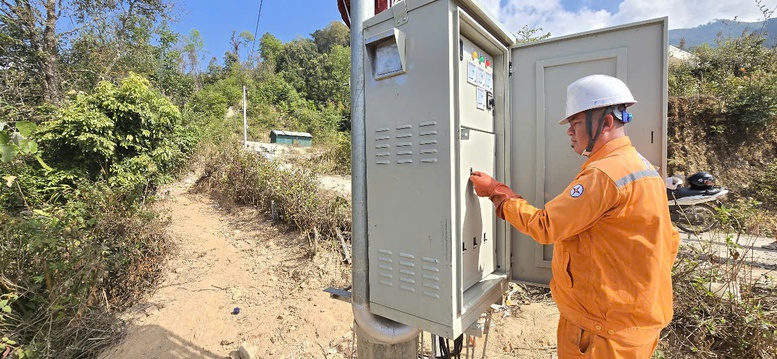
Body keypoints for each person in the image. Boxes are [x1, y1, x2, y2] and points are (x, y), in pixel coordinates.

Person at [470, 74, 680, 359]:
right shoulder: (641, 166)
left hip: (601, 331)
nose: (569, 131)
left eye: (576, 123)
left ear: (605, 123)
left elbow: (546, 227)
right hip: (634, 320)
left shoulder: (605, 174)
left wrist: (497, 192)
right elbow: (670, 239)